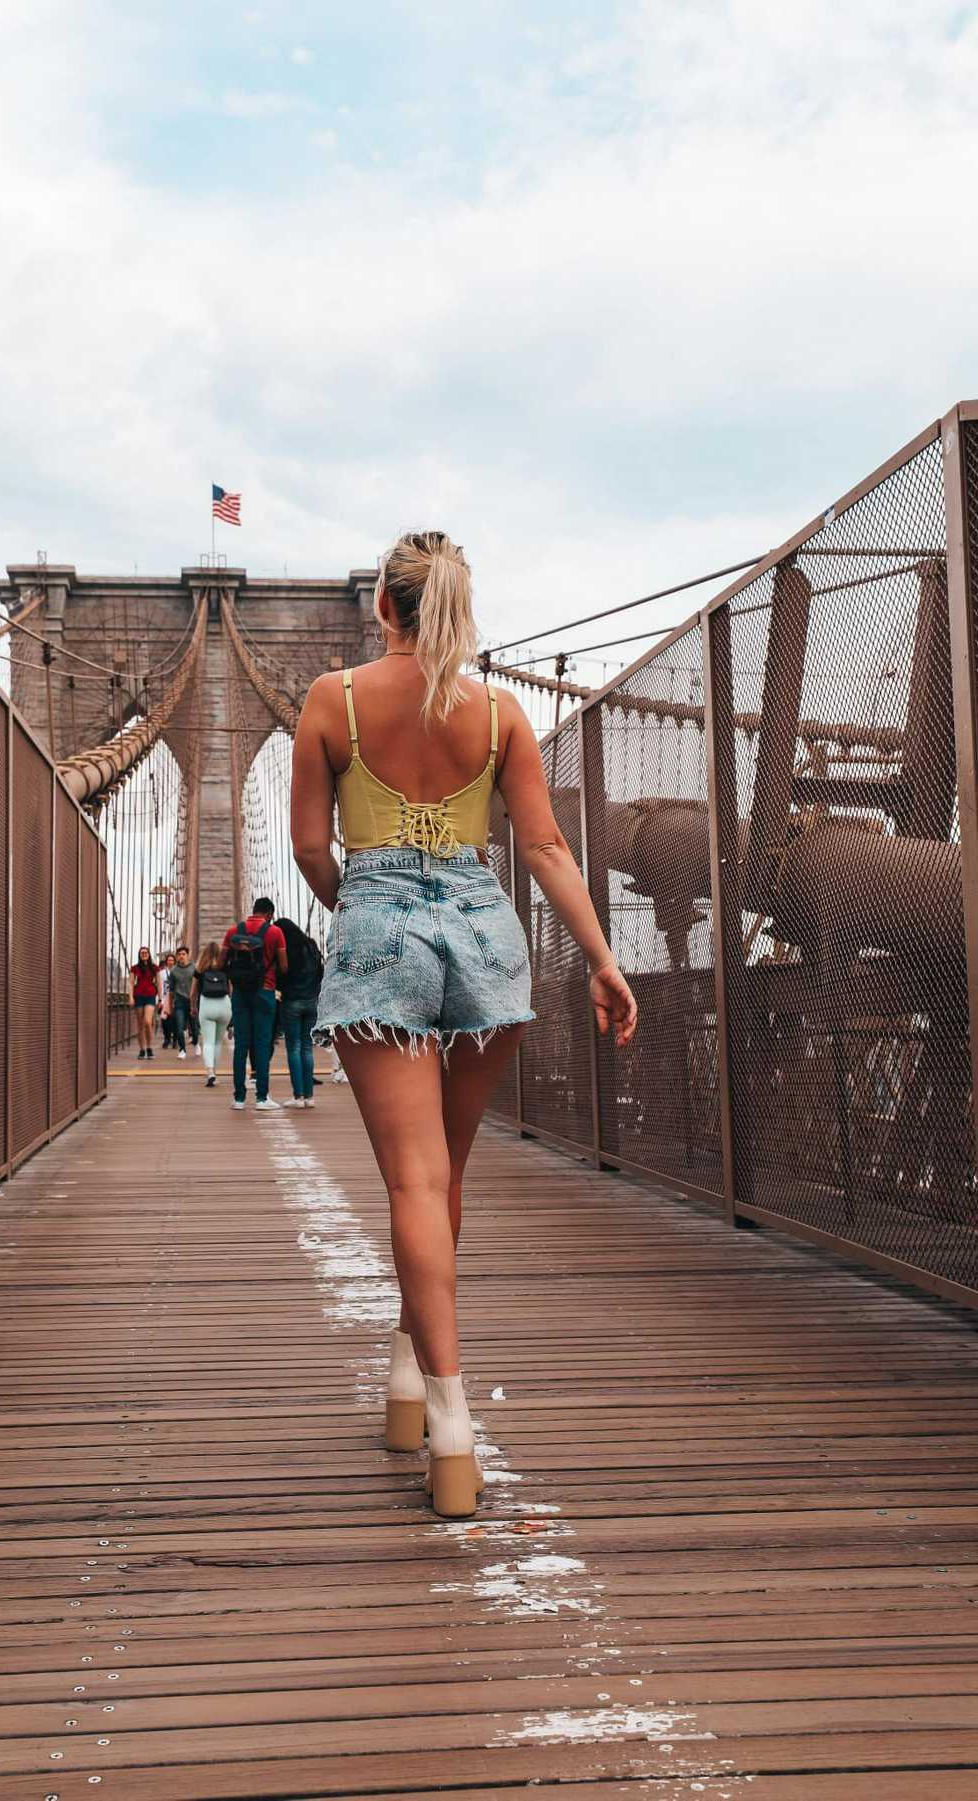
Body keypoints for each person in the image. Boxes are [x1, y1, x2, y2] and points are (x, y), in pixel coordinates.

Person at [291, 529, 637, 1519]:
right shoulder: (500, 714)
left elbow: (313, 848)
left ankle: (449, 1421)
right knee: (447, 1175)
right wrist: (604, 961)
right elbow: (548, 846)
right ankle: (409, 1380)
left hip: (379, 929)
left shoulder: (335, 702)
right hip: (486, 934)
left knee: (413, 1179)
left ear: (383, 609)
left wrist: (358, 900)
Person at [222, 898, 288, 1112]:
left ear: (253, 911)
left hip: (240, 993)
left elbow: (220, 964)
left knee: (241, 1044)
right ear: (269, 913)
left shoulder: (233, 932)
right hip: (265, 991)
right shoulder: (275, 932)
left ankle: (239, 1099)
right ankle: (261, 1098)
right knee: (261, 1044)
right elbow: (284, 967)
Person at [275, 916, 324, 1109]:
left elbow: (282, 974)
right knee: (306, 1048)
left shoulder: (287, 950)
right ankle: (310, 1097)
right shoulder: (311, 946)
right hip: (312, 1002)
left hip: (291, 1001)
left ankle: (298, 1096)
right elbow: (320, 972)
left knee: (293, 1048)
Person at [191, 941, 231, 1087]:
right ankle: (215, 1072)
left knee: (208, 1042)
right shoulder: (225, 967)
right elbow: (230, 989)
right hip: (224, 1004)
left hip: (207, 1004)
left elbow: (192, 993)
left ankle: (210, 1073)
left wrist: (193, 1007)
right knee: (218, 1043)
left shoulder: (200, 968)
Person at [130, 947, 161, 1060]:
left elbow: (159, 983)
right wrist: (130, 997)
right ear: (139, 955)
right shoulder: (135, 968)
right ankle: (142, 1050)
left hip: (150, 996)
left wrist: (161, 999)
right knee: (140, 1025)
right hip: (138, 996)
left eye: (146, 952)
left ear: (149, 954)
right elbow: (130, 983)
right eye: (142, 953)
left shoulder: (154, 968)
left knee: (148, 1022)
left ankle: (149, 1047)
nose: (144, 954)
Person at [169, 945, 198, 1058]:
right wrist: (171, 1004)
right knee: (179, 1027)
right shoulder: (174, 970)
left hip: (192, 1001)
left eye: (183, 954)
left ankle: (196, 1044)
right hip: (179, 1001)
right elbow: (171, 989)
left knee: (194, 1029)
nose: (181, 956)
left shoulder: (194, 968)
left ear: (188, 955)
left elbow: (199, 985)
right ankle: (182, 1049)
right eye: (179, 954)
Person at [159, 953, 178, 1049]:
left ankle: (175, 1039)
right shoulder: (161, 973)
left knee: (174, 1020)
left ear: (174, 962)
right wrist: (160, 1001)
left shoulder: (178, 972)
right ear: (166, 962)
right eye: (169, 960)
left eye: (172, 960)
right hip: (165, 999)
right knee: (164, 1020)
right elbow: (160, 986)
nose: (170, 962)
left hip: (175, 998)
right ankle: (167, 1038)